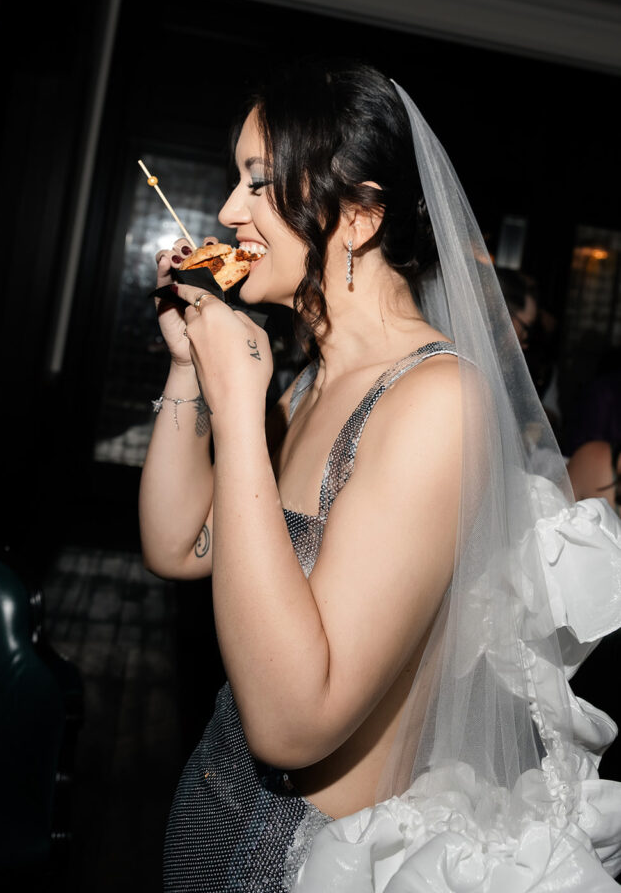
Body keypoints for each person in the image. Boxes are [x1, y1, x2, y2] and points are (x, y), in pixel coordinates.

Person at [139, 60, 621, 892]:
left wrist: (241, 413)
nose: (225, 211)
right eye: (233, 180)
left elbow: (292, 726)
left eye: (258, 183)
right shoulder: (308, 379)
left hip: (293, 855)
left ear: (357, 216)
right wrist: (191, 370)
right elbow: (180, 546)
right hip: (209, 816)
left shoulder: (436, 402)